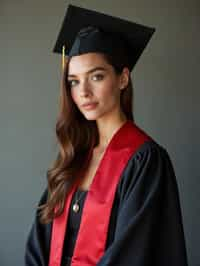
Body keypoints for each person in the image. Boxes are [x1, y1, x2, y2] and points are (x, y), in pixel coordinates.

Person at [25, 4, 188, 266]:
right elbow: (38, 244)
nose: (83, 92)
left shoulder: (144, 161)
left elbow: (134, 254)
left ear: (123, 79)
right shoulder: (73, 155)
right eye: (74, 81)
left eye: (97, 77)